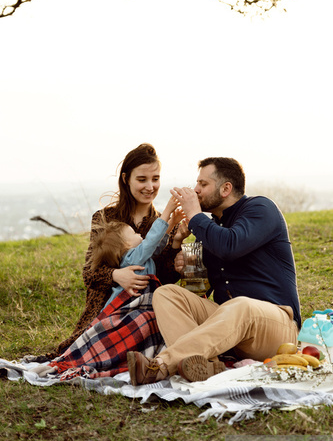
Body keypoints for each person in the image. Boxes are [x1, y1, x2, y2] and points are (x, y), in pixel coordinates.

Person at [127, 157, 301, 384]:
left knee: (241, 305)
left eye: (203, 184)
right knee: (167, 294)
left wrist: (195, 214)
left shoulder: (260, 208)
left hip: (275, 326)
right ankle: (205, 366)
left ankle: (160, 365)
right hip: (231, 331)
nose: (196, 190)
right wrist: (179, 245)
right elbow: (200, 289)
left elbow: (230, 245)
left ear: (226, 188)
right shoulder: (212, 227)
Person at [37, 143, 185, 361]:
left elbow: (164, 279)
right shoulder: (104, 218)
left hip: (145, 309)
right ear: (126, 179)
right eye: (142, 179)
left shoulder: (163, 222)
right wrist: (117, 275)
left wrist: (177, 242)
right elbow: (90, 274)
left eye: (155, 179)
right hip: (105, 308)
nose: (150, 186)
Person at [88, 194, 185, 307]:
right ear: (126, 245)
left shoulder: (140, 257)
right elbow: (151, 241)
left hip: (139, 303)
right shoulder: (131, 258)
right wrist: (167, 211)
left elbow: (156, 247)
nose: (138, 233)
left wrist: (172, 222)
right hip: (123, 307)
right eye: (133, 233)